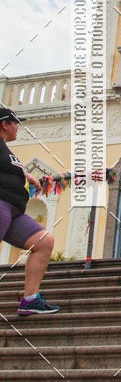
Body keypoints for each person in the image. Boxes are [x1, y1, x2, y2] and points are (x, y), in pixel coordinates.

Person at [0, 108, 60, 315]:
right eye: (15, 122)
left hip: (15, 210)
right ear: (4, 124)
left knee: (44, 241)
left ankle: (30, 300)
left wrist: (26, 175)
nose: (18, 127)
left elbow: (7, 166)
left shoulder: (5, 150)